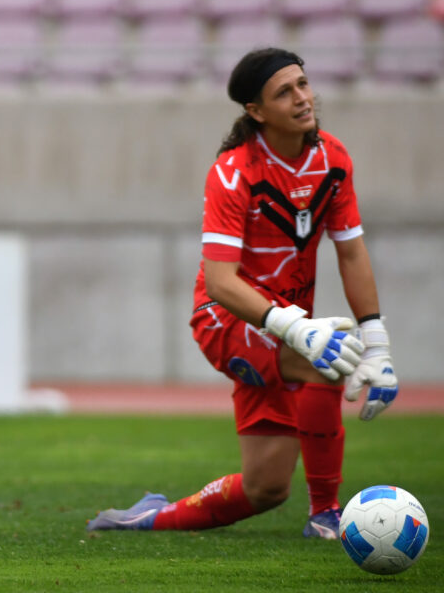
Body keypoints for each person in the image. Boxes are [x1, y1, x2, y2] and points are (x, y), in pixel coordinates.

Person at [87, 47, 399, 539]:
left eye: (303, 84)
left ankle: (148, 516)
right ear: (255, 111)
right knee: (329, 361)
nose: (302, 97)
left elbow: (352, 254)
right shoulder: (234, 173)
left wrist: (377, 341)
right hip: (226, 320)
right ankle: (326, 515)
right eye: (284, 92)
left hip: (285, 330)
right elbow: (220, 282)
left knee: (265, 487)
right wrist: (296, 327)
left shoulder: (333, 159)